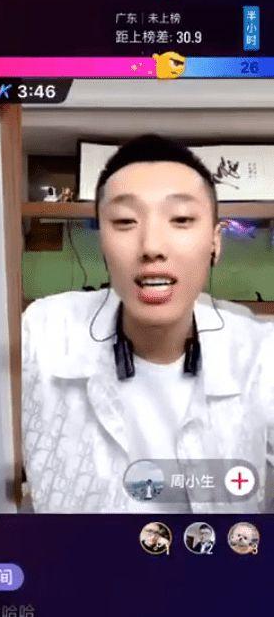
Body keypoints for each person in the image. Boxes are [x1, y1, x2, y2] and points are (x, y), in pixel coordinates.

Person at [22, 134, 274, 513]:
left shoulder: (260, 354)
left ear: (215, 242)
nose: (152, 246)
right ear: (102, 241)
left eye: (181, 219)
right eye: (125, 221)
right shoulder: (43, 335)